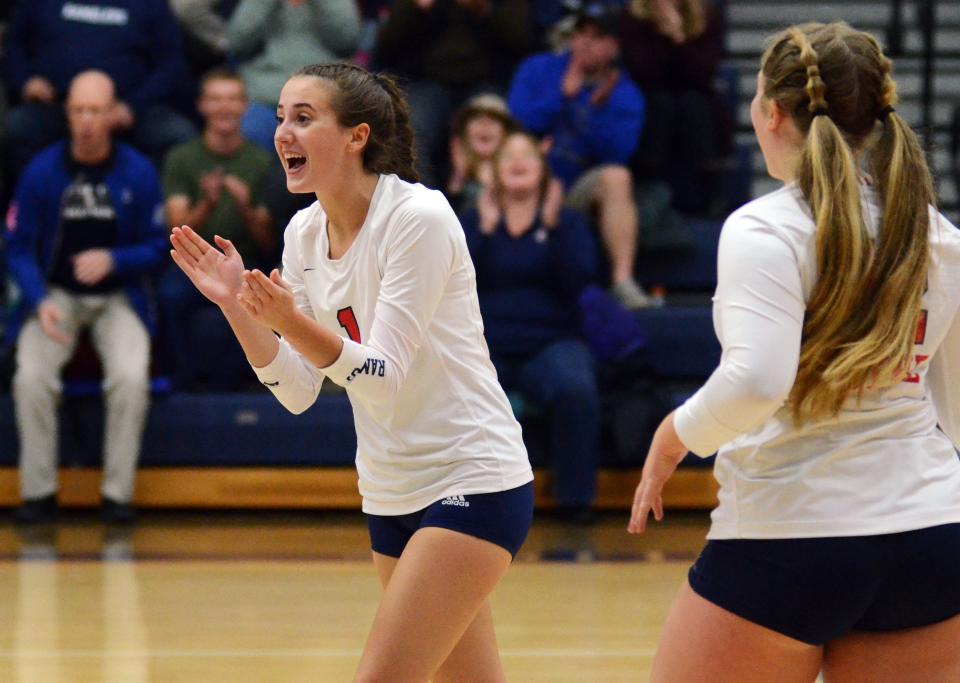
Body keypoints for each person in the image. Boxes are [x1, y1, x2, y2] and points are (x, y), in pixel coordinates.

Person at [168, 62, 533, 681]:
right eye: (281, 117)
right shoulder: (303, 233)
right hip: (390, 490)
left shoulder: (418, 218)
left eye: (304, 118)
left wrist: (290, 320)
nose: (282, 132)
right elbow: (297, 390)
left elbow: (382, 374)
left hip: (471, 476)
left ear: (356, 136)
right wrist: (238, 306)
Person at [628, 22, 960, 682]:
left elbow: (756, 380)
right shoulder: (935, 231)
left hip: (789, 538)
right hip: (930, 536)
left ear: (773, 112)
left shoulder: (766, 227)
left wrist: (672, 435)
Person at [5, 71, 167, 526]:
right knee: (31, 377)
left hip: (119, 297)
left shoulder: (137, 171)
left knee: (130, 378)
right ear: (67, 115)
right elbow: (16, 245)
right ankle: (38, 494)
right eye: (78, 110)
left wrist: (115, 259)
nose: (87, 121)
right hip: (56, 296)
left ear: (113, 114)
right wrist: (38, 299)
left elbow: (159, 247)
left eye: (96, 110)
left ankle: (117, 496)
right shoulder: (42, 171)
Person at [461, 131, 602, 521]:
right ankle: (473, 500)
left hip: (552, 340)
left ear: (542, 170)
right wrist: (486, 230)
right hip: (487, 342)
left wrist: (554, 226)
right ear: (492, 170)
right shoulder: (472, 220)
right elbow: (453, 282)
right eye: (509, 155)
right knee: (459, 388)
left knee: (576, 388)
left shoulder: (566, 221)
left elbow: (580, 279)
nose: (518, 162)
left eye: (528, 155)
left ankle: (575, 501)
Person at [507, 7, 651, 309]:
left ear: (614, 47)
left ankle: (622, 280)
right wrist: (562, 96)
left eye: (596, 37)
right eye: (580, 34)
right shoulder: (538, 68)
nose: (585, 43)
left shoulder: (624, 93)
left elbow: (618, 153)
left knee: (617, 178)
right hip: (525, 181)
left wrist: (592, 111)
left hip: (577, 190)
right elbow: (516, 123)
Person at [159, 69, 274, 389]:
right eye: (215, 99)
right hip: (193, 264)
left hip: (248, 261)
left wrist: (244, 208)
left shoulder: (262, 161)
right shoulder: (182, 158)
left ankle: (255, 381)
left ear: (244, 107)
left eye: (232, 99)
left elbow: (267, 241)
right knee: (170, 295)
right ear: (201, 106)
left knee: (266, 295)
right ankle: (184, 384)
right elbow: (175, 228)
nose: (224, 108)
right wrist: (207, 205)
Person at [2, 0, 196, 177]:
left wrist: (133, 106)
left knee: (178, 136)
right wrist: (25, 81)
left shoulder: (149, 4)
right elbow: (14, 44)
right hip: (56, 106)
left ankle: (144, 207)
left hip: (128, 108)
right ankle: (29, 208)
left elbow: (171, 63)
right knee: (14, 129)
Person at [376, 0, 534, 188]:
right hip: (428, 81)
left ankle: (482, 209)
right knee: (411, 129)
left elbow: (524, 40)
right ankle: (424, 206)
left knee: (492, 128)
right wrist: (416, 8)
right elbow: (385, 44)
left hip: (487, 81)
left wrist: (485, 9)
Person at [620, 0, 732, 215]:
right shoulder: (634, 18)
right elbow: (642, 71)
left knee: (693, 103)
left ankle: (711, 190)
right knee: (661, 103)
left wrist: (678, 35)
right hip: (649, 99)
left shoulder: (708, 15)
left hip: (696, 98)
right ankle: (649, 186)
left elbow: (702, 73)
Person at [226, 0, 362, 151]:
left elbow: (348, 41)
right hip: (265, 95)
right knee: (249, 132)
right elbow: (238, 44)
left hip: (321, 95)